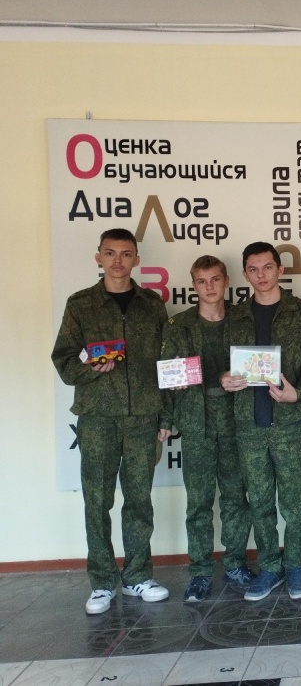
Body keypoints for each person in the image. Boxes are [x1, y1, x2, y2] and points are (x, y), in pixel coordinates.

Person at [51, 228, 171, 614]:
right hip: (98, 416)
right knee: (97, 501)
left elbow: (167, 363)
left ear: (136, 259)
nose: (118, 261)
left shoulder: (152, 305)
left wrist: (166, 414)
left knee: (139, 500)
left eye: (125, 254)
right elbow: (63, 358)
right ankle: (102, 582)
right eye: (110, 253)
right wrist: (90, 369)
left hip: (143, 417)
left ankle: (137, 577)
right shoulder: (81, 304)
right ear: (98, 257)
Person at [221, 242, 301, 601]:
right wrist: (224, 379)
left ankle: (295, 565)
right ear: (245, 274)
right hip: (249, 424)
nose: (261, 275)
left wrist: (300, 393)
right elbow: (223, 364)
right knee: (260, 502)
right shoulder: (235, 316)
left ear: (280, 270)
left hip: (289, 424)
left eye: (267, 267)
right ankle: (269, 567)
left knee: (295, 503)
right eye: (253, 269)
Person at [161, 255, 254, 601]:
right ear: (193, 285)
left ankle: (235, 563)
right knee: (198, 502)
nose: (209, 287)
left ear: (226, 281)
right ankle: (200, 571)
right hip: (196, 422)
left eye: (215, 279)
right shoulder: (178, 325)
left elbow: (260, 365)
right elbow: (167, 376)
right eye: (202, 281)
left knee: (236, 498)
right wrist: (166, 418)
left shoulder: (243, 320)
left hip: (236, 420)